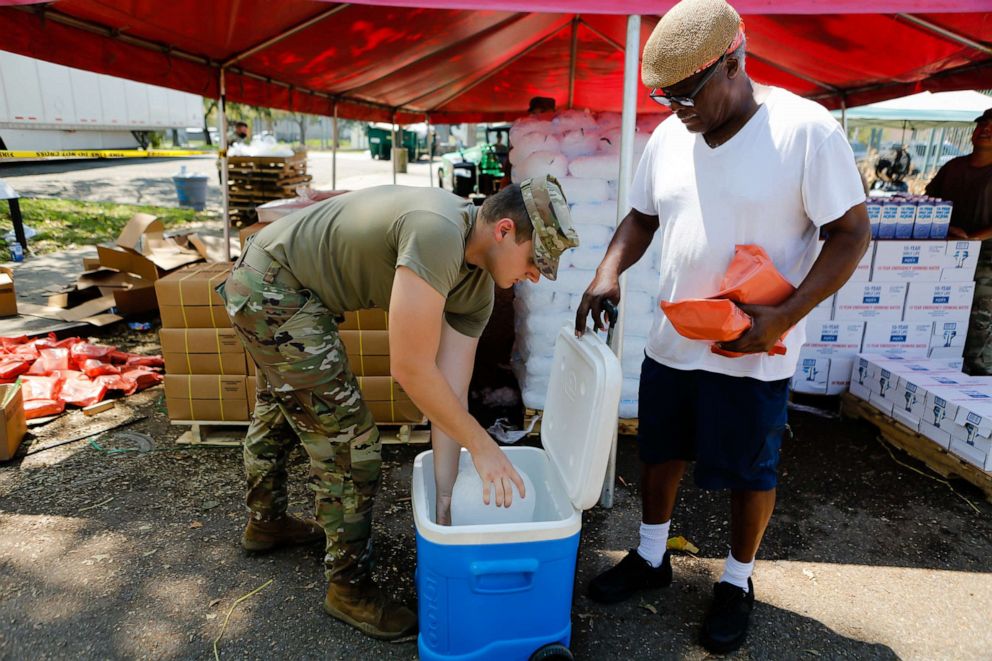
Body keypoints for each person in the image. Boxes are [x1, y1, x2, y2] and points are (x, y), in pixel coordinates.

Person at [574, 0, 869, 654]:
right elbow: (642, 217)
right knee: (660, 450)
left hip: (754, 347)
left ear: (734, 61)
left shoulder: (804, 132)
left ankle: (736, 581)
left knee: (749, 470)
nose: (675, 108)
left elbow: (851, 233)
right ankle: (651, 557)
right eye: (664, 95)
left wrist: (785, 316)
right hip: (675, 340)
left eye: (686, 92)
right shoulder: (672, 137)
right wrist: (607, 271)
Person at [219, 178, 578, 641]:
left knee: (287, 403)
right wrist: (482, 446)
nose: (535, 276)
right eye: (534, 261)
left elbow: (448, 393)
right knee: (351, 443)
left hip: (290, 286)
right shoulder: (437, 233)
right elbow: (410, 369)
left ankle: (266, 524)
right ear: (504, 230)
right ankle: (348, 590)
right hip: (272, 285)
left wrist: (446, 506)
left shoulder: (478, 290)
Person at [925, 109, 992, 374]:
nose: (986, 129)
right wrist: (951, 229)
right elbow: (930, 202)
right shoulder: (953, 167)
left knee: (980, 319)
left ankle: (978, 375)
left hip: (986, 257)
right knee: (941, 312)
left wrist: (974, 238)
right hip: (947, 251)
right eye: (982, 125)